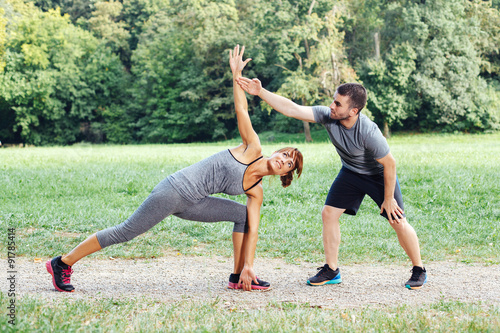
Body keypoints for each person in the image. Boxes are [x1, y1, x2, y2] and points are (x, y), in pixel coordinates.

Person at [46, 45, 303, 293]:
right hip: (175, 190)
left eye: (288, 163)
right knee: (126, 231)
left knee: (244, 216)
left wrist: (249, 266)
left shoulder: (256, 192)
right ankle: (62, 262)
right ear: (275, 152)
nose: (283, 160)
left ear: (284, 175)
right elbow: (241, 109)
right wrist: (236, 75)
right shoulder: (252, 148)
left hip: (195, 203)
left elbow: (253, 230)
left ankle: (238, 276)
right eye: (284, 154)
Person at [236, 76, 426, 290]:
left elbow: (390, 164)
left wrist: (389, 199)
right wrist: (260, 92)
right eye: (333, 100)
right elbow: (292, 108)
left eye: (338, 103)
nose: (331, 106)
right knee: (329, 213)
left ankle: (419, 270)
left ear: (353, 111)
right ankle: (332, 270)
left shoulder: (368, 132)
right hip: (351, 173)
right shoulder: (329, 116)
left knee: (397, 220)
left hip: (378, 175)